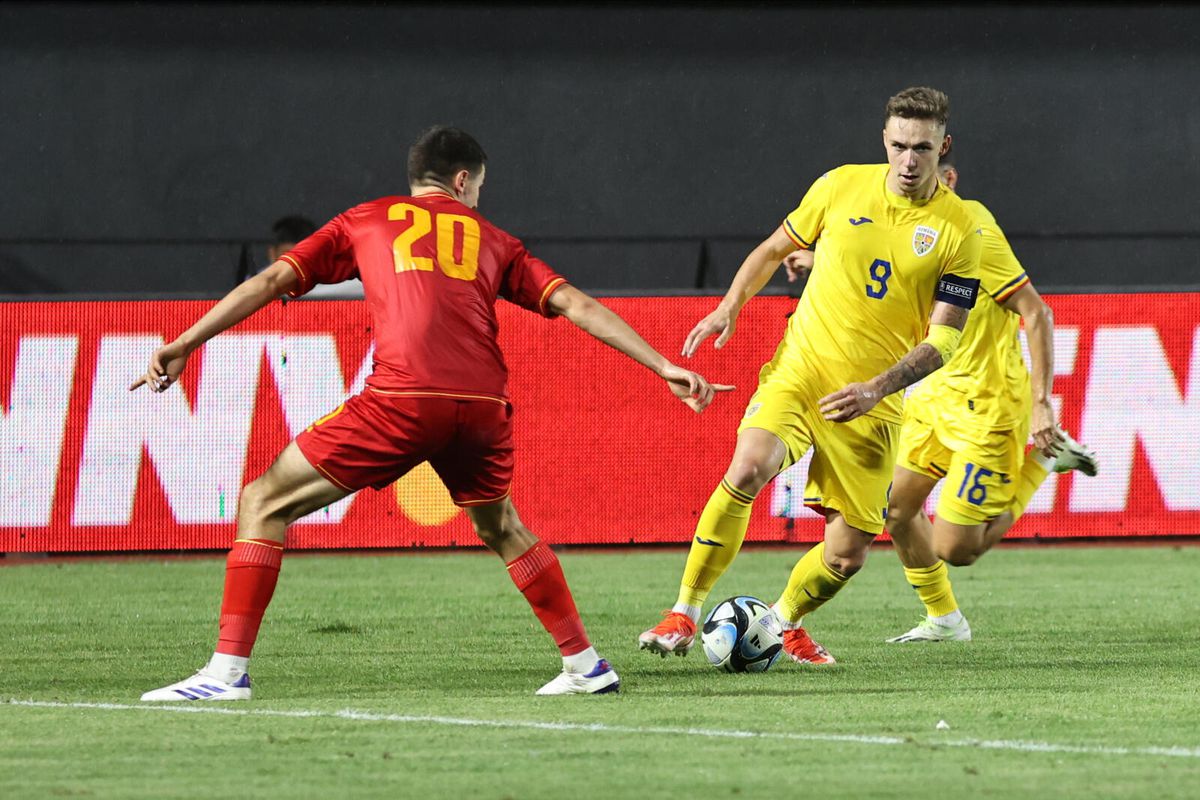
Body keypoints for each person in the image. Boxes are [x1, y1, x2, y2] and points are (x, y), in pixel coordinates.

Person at [133, 125, 731, 700]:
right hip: (483, 408)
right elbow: (572, 302)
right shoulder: (493, 239)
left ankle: (226, 672)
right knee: (503, 528)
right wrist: (660, 365)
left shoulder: (365, 219)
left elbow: (270, 281)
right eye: (479, 188)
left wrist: (186, 341)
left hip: (404, 399)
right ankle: (583, 664)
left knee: (263, 501)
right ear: (463, 180)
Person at [639, 86, 983, 665]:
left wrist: (877, 387)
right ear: (884, 140)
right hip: (802, 371)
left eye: (922, 148)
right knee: (748, 467)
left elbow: (946, 337)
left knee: (846, 556)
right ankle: (683, 613)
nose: (907, 160)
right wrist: (729, 305)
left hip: (874, 402)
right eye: (898, 145)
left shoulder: (960, 231)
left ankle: (785, 624)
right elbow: (774, 249)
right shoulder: (838, 185)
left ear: (942, 146)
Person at [794, 145, 1095, 643]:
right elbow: (873, 263)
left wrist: (1043, 400)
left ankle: (1044, 464)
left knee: (957, 549)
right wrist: (816, 257)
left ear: (948, 176)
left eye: (926, 164)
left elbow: (1038, 313)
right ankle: (944, 620)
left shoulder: (973, 229)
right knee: (894, 511)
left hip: (988, 406)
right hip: (931, 400)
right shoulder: (902, 229)